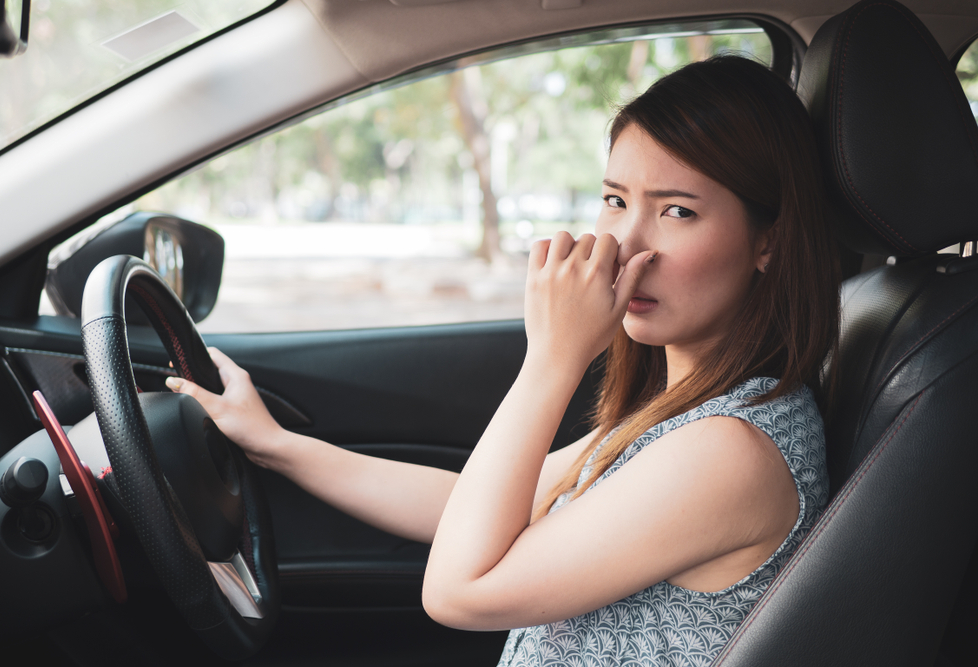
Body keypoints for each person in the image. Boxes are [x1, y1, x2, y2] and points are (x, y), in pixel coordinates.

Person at [166, 55, 841, 666]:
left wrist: (554, 356)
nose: (625, 245)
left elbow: (460, 591)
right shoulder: (688, 412)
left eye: (677, 211)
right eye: (615, 200)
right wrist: (279, 446)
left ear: (768, 243)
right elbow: (476, 509)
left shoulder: (730, 449)